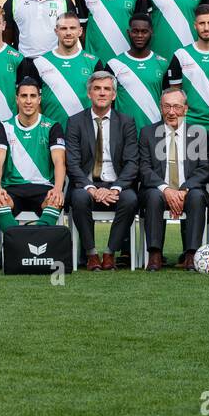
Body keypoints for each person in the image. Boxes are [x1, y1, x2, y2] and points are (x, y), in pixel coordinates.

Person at [65, 71, 140, 269]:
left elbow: (132, 162)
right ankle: (91, 254)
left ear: (114, 95)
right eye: (97, 89)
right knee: (79, 198)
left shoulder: (126, 122)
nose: (102, 93)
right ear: (89, 93)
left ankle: (109, 253)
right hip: (87, 184)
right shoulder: (74, 122)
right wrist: (91, 188)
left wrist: (115, 188)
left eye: (107, 89)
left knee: (131, 199)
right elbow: (72, 163)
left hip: (116, 184)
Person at [137, 87, 209, 271]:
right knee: (153, 196)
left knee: (196, 197)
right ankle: (155, 254)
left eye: (176, 107)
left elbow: (205, 169)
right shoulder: (147, 133)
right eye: (167, 106)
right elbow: (144, 168)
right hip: (158, 190)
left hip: (189, 190)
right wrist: (166, 189)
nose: (171, 112)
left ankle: (191, 254)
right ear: (160, 108)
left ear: (185, 109)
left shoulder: (198, 133)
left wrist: (184, 189)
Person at [0, 81, 68, 232]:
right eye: (24, 96)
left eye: (33, 96)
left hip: (43, 187)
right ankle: (19, 243)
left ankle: (30, 239)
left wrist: (58, 188)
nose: (28, 101)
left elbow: (59, 161)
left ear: (39, 99)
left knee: (55, 199)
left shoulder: (52, 126)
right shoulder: (4, 127)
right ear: (17, 99)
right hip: (12, 188)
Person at [17, 13, 105, 126]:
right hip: (51, 131)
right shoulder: (39, 63)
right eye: (63, 28)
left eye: (72, 28)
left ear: (80, 31)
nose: (68, 33)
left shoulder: (94, 62)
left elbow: (101, 99)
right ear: (56, 31)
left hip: (85, 131)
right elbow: (33, 102)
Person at [165, 4, 209, 129]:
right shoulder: (181, 55)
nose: (206, 27)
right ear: (195, 25)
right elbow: (174, 95)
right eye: (202, 23)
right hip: (190, 123)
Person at [105, 13, 167, 132]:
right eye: (135, 31)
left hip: (154, 130)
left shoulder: (162, 63)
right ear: (129, 33)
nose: (139, 35)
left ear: (151, 33)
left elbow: (167, 99)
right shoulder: (114, 64)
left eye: (144, 31)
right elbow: (107, 102)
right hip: (123, 132)